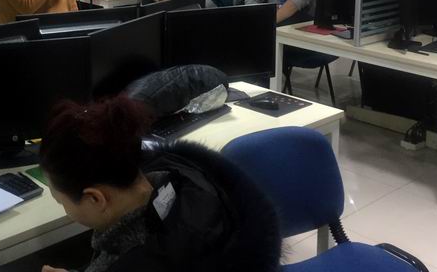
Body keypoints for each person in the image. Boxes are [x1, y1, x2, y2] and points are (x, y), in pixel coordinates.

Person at [38, 96, 281, 272]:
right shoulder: (191, 182)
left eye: (61, 202)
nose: (66, 210)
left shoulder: (137, 262)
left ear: (96, 198)